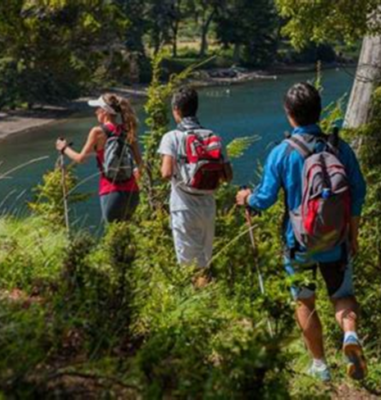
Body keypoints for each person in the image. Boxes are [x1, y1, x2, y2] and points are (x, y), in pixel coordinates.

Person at [236, 83, 367, 382]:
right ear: (319, 110)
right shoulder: (339, 147)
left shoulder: (282, 153)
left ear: (289, 114)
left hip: (299, 244)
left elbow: (264, 199)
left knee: (304, 301)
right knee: (342, 297)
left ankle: (320, 366)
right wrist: (353, 235)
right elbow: (358, 191)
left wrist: (246, 198)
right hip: (337, 240)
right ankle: (349, 335)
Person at [158, 86, 233, 280]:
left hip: (184, 207)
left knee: (190, 265)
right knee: (204, 260)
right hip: (208, 206)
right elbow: (228, 176)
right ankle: (207, 295)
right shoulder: (212, 136)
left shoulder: (172, 137)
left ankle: (200, 302)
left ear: (176, 110)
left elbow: (166, 173)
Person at [56, 93, 142, 223]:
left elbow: (81, 158)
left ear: (104, 112)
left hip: (111, 191)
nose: (96, 112)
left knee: (114, 236)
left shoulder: (97, 132)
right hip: (132, 192)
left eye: (98, 109)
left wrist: (64, 148)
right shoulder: (128, 130)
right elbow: (140, 163)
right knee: (127, 234)